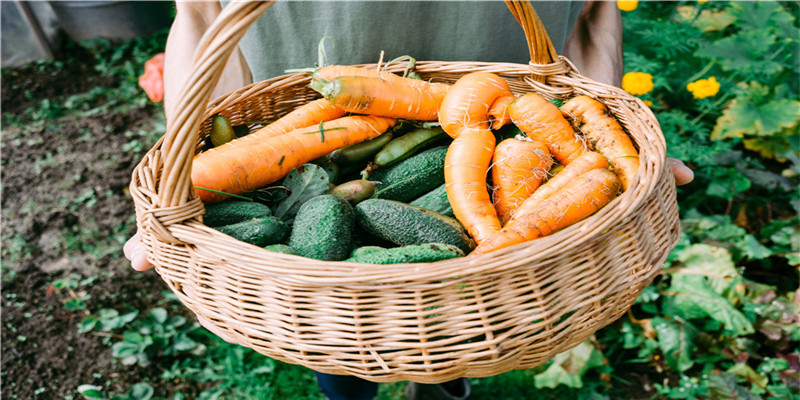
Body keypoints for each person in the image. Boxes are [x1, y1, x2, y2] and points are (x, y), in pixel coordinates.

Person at [124, 2, 695, 399]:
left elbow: (592, 15)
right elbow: (202, 16)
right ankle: (347, 387)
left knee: (458, 321)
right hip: (309, 107)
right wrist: (189, 183)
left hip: (504, 102)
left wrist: (610, 143)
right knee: (339, 334)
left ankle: (444, 381)